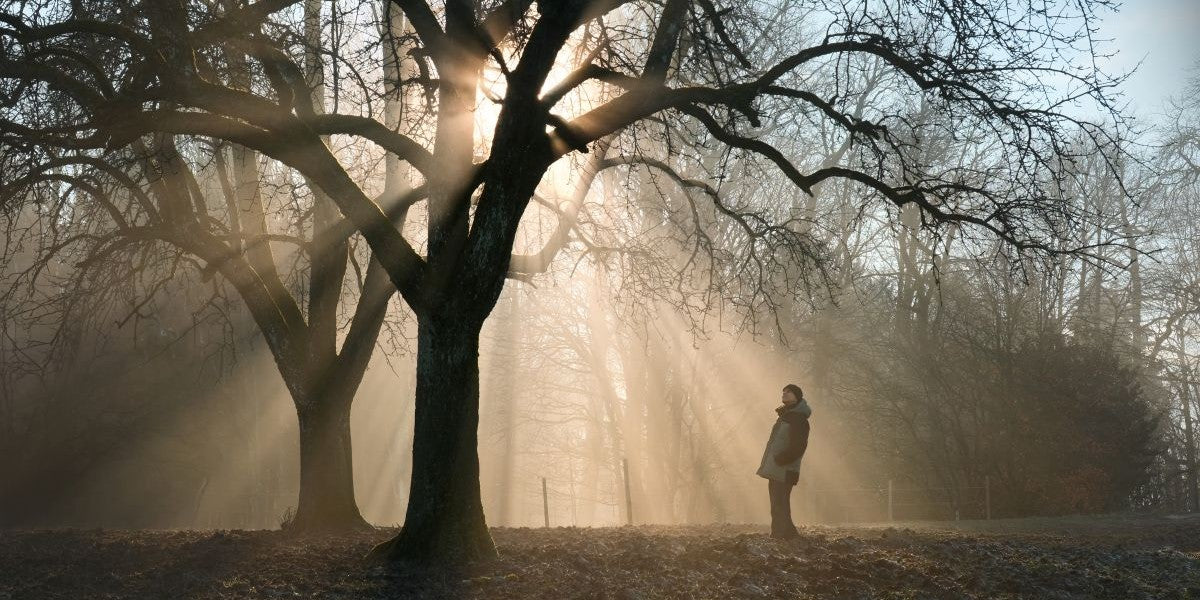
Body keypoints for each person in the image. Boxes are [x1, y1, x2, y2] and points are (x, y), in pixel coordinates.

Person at [756, 383, 811, 539]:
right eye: (784, 391)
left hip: (785, 469)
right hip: (778, 468)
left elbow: (799, 446)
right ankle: (789, 534)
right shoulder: (786, 417)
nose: (785, 394)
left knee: (779, 503)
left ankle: (779, 535)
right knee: (779, 503)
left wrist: (781, 459)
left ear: (797, 397)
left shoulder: (798, 419)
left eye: (789, 392)